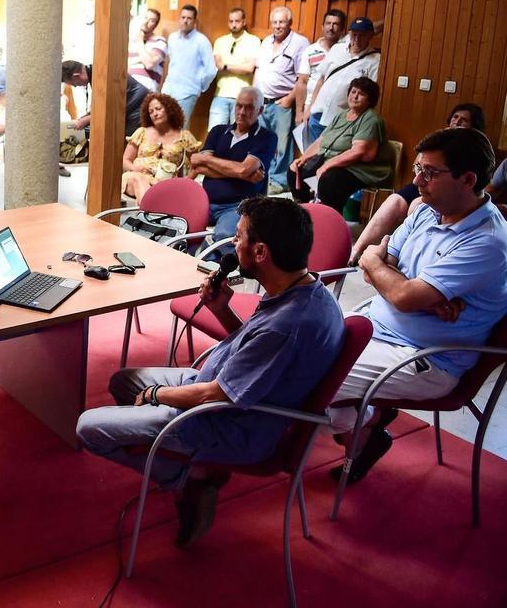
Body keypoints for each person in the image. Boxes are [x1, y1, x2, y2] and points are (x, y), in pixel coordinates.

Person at [77, 197, 344, 546]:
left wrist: (156, 395)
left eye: (238, 237)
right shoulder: (303, 291)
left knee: (88, 428)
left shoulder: (287, 325)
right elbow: (256, 355)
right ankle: (183, 462)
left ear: (260, 252)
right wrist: (221, 310)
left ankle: (192, 478)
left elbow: (215, 395)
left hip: (226, 422)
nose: (233, 243)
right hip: (220, 388)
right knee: (123, 382)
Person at [329, 127, 507, 482]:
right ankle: (365, 423)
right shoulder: (428, 210)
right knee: (290, 343)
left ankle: (361, 428)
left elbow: (394, 286)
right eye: (417, 169)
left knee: (305, 375)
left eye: (430, 172)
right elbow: (383, 275)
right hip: (376, 324)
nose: (417, 181)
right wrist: (409, 291)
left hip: (424, 357)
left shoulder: (488, 241)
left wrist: (381, 268)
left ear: (468, 180)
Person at [350, 103, 488, 265]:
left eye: (463, 120)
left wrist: (375, 266)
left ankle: (411, 261)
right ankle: (356, 251)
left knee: (418, 207)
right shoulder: (438, 139)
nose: (457, 122)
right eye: (455, 117)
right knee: (393, 201)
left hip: (442, 189)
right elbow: (418, 165)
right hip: (425, 183)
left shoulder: (477, 151)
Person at [189, 87, 276, 258]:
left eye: (249, 107)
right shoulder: (218, 131)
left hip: (237, 206)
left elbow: (244, 169)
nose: (241, 112)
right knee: (182, 226)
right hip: (205, 200)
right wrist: (242, 173)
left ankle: (211, 268)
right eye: (239, 106)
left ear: (260, 110)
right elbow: (197, 165)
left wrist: (207, 161)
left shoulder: (266, 137)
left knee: (224, 238)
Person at [290, 77, 393, 210]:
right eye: (353, 92)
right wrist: (302, 159)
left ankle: (330, 217)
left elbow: (358, 152)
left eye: (361, 94)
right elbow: (321, 141)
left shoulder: (371, 119)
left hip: (361, 169)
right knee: (295, 169)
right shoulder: (342, 115)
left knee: (330, 180)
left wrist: (327, 166)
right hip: (334, 163)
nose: (355, 97)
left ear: (370, 100)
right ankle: (303, 211)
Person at [252, 6, 310, 195]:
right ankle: (263, 178)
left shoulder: (300, 43)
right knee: (262, 141)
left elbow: (303, 77)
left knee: (281, 144)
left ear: (290, 23)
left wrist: (289, 99)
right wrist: (254, 96)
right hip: (262, 102)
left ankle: (279, 181)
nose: (277, 26)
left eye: (282, 22)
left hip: (281, 102)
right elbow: (258, 71)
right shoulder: (266, 41)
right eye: (275, 22)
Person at [305, 17, 381, 143]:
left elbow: (371, 95)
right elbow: (321, 79)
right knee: (311, 152)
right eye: (354, 34)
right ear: (349, 34)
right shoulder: (337, 49)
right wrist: (310, 108)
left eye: (362, 35)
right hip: (318, 112)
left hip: (341, 119)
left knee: (330, 152)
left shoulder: (375, 60)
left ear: (370, 36)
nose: (357, 39)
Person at [122, 93, 201, 202]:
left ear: (169, 109)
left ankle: (149, 209)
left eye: (158, 109)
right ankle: (149, 208)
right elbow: (125, 160)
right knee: (138, 179)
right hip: (137, 177)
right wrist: (135, 169)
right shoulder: (141, 132)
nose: (154, 114)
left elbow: (197, 164)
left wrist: (186, 181)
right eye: (151, 112)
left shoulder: (185, 136)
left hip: (168, 184)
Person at [295, 9, 347, 146]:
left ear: (342, 29)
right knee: (308, 149)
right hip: (310, 107)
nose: (331, 27)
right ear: (322, 26)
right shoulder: (310, 50)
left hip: (336, 108)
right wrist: (299, 112)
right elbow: (302, 82)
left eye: (335, 24)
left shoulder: (346, 51)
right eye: (328, 23)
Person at [162, 4, 216, 123]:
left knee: (180, 128)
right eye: (183, 17)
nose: (185, 21)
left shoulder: (201, 41)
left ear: (194, 21)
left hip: (188, 92)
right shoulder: (172, 38)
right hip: (168, 90)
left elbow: (211, 70)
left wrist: (200, 85)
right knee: (163, 126)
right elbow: (171, 62)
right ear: (179, 18)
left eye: (189, 18)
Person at [209, 7, 260, 130]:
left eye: (237, 21)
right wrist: (239, 66)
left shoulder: (253, 41)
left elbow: (249, 68)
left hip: (242, 96)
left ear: (244, 22)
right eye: (231, 21)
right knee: (214, 132)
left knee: (239, 132)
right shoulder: (220, 41)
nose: (234, 24)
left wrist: (226, 66)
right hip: (220, 94)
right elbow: (218, 65)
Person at [127, 9, 167, 93]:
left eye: (151, 20)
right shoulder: (131, 41)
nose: (146, 22)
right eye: (145, 17)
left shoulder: (159, 41)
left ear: (155, 25)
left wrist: (139, 40)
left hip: (146, 88)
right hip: (127, 86)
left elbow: (149, 64)